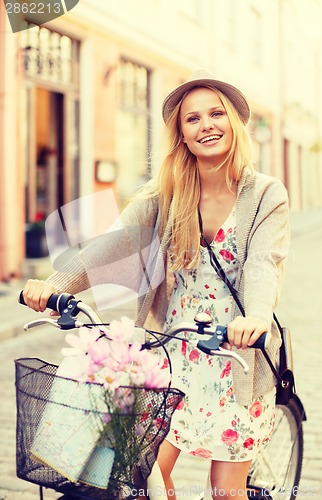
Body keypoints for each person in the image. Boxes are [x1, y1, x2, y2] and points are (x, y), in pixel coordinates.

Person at [22, 70, 290, 500]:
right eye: (193, 119)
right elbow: (108, 248)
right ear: (181, 135)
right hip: (171, 355)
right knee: (134, 472)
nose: (207, 125)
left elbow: (263, 264)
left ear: (235, 124)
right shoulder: (164, 194)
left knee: (225, 493)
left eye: (216, 114)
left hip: (236, 354)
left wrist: (256, 317)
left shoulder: (264, 194)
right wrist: (54, 284)